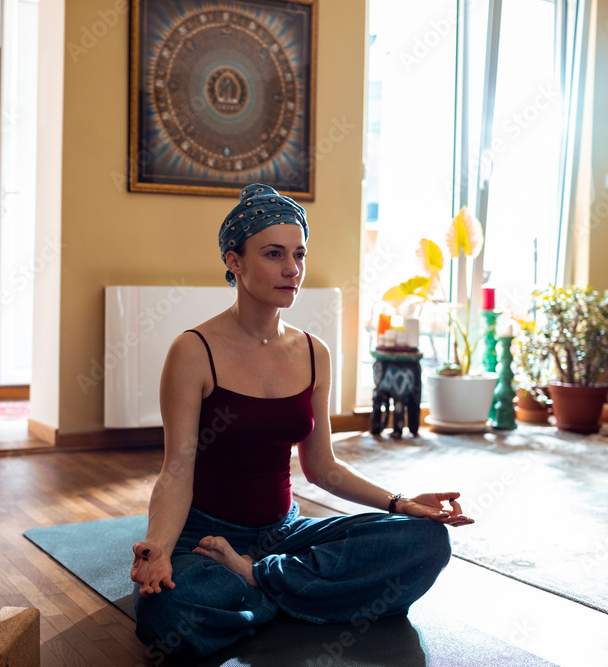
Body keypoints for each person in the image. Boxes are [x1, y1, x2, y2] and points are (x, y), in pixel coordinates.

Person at [130, 183, 474, 658]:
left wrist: (401, 503)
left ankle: (256, 580)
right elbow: (175, 470)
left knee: (427, 542)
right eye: (274, 254)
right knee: (169, 614)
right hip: (205, 539)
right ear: (234, 261)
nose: (292, 270)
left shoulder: (315, 353)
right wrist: (160, 548)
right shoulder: (193, 351)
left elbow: (324, 469)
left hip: (283, 536)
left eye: (299, 254)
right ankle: (295, 589)